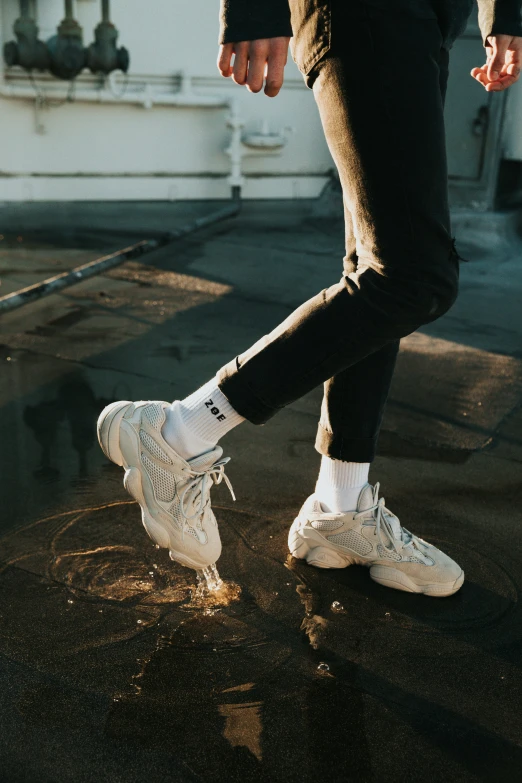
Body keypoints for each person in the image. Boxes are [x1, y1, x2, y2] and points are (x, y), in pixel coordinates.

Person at [97, 0, 522, 597]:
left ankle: (337, 507)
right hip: (370, 12)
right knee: (414, 276)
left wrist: (504, 14)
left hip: (424, 20)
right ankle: (177, 432)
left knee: (376, 268)